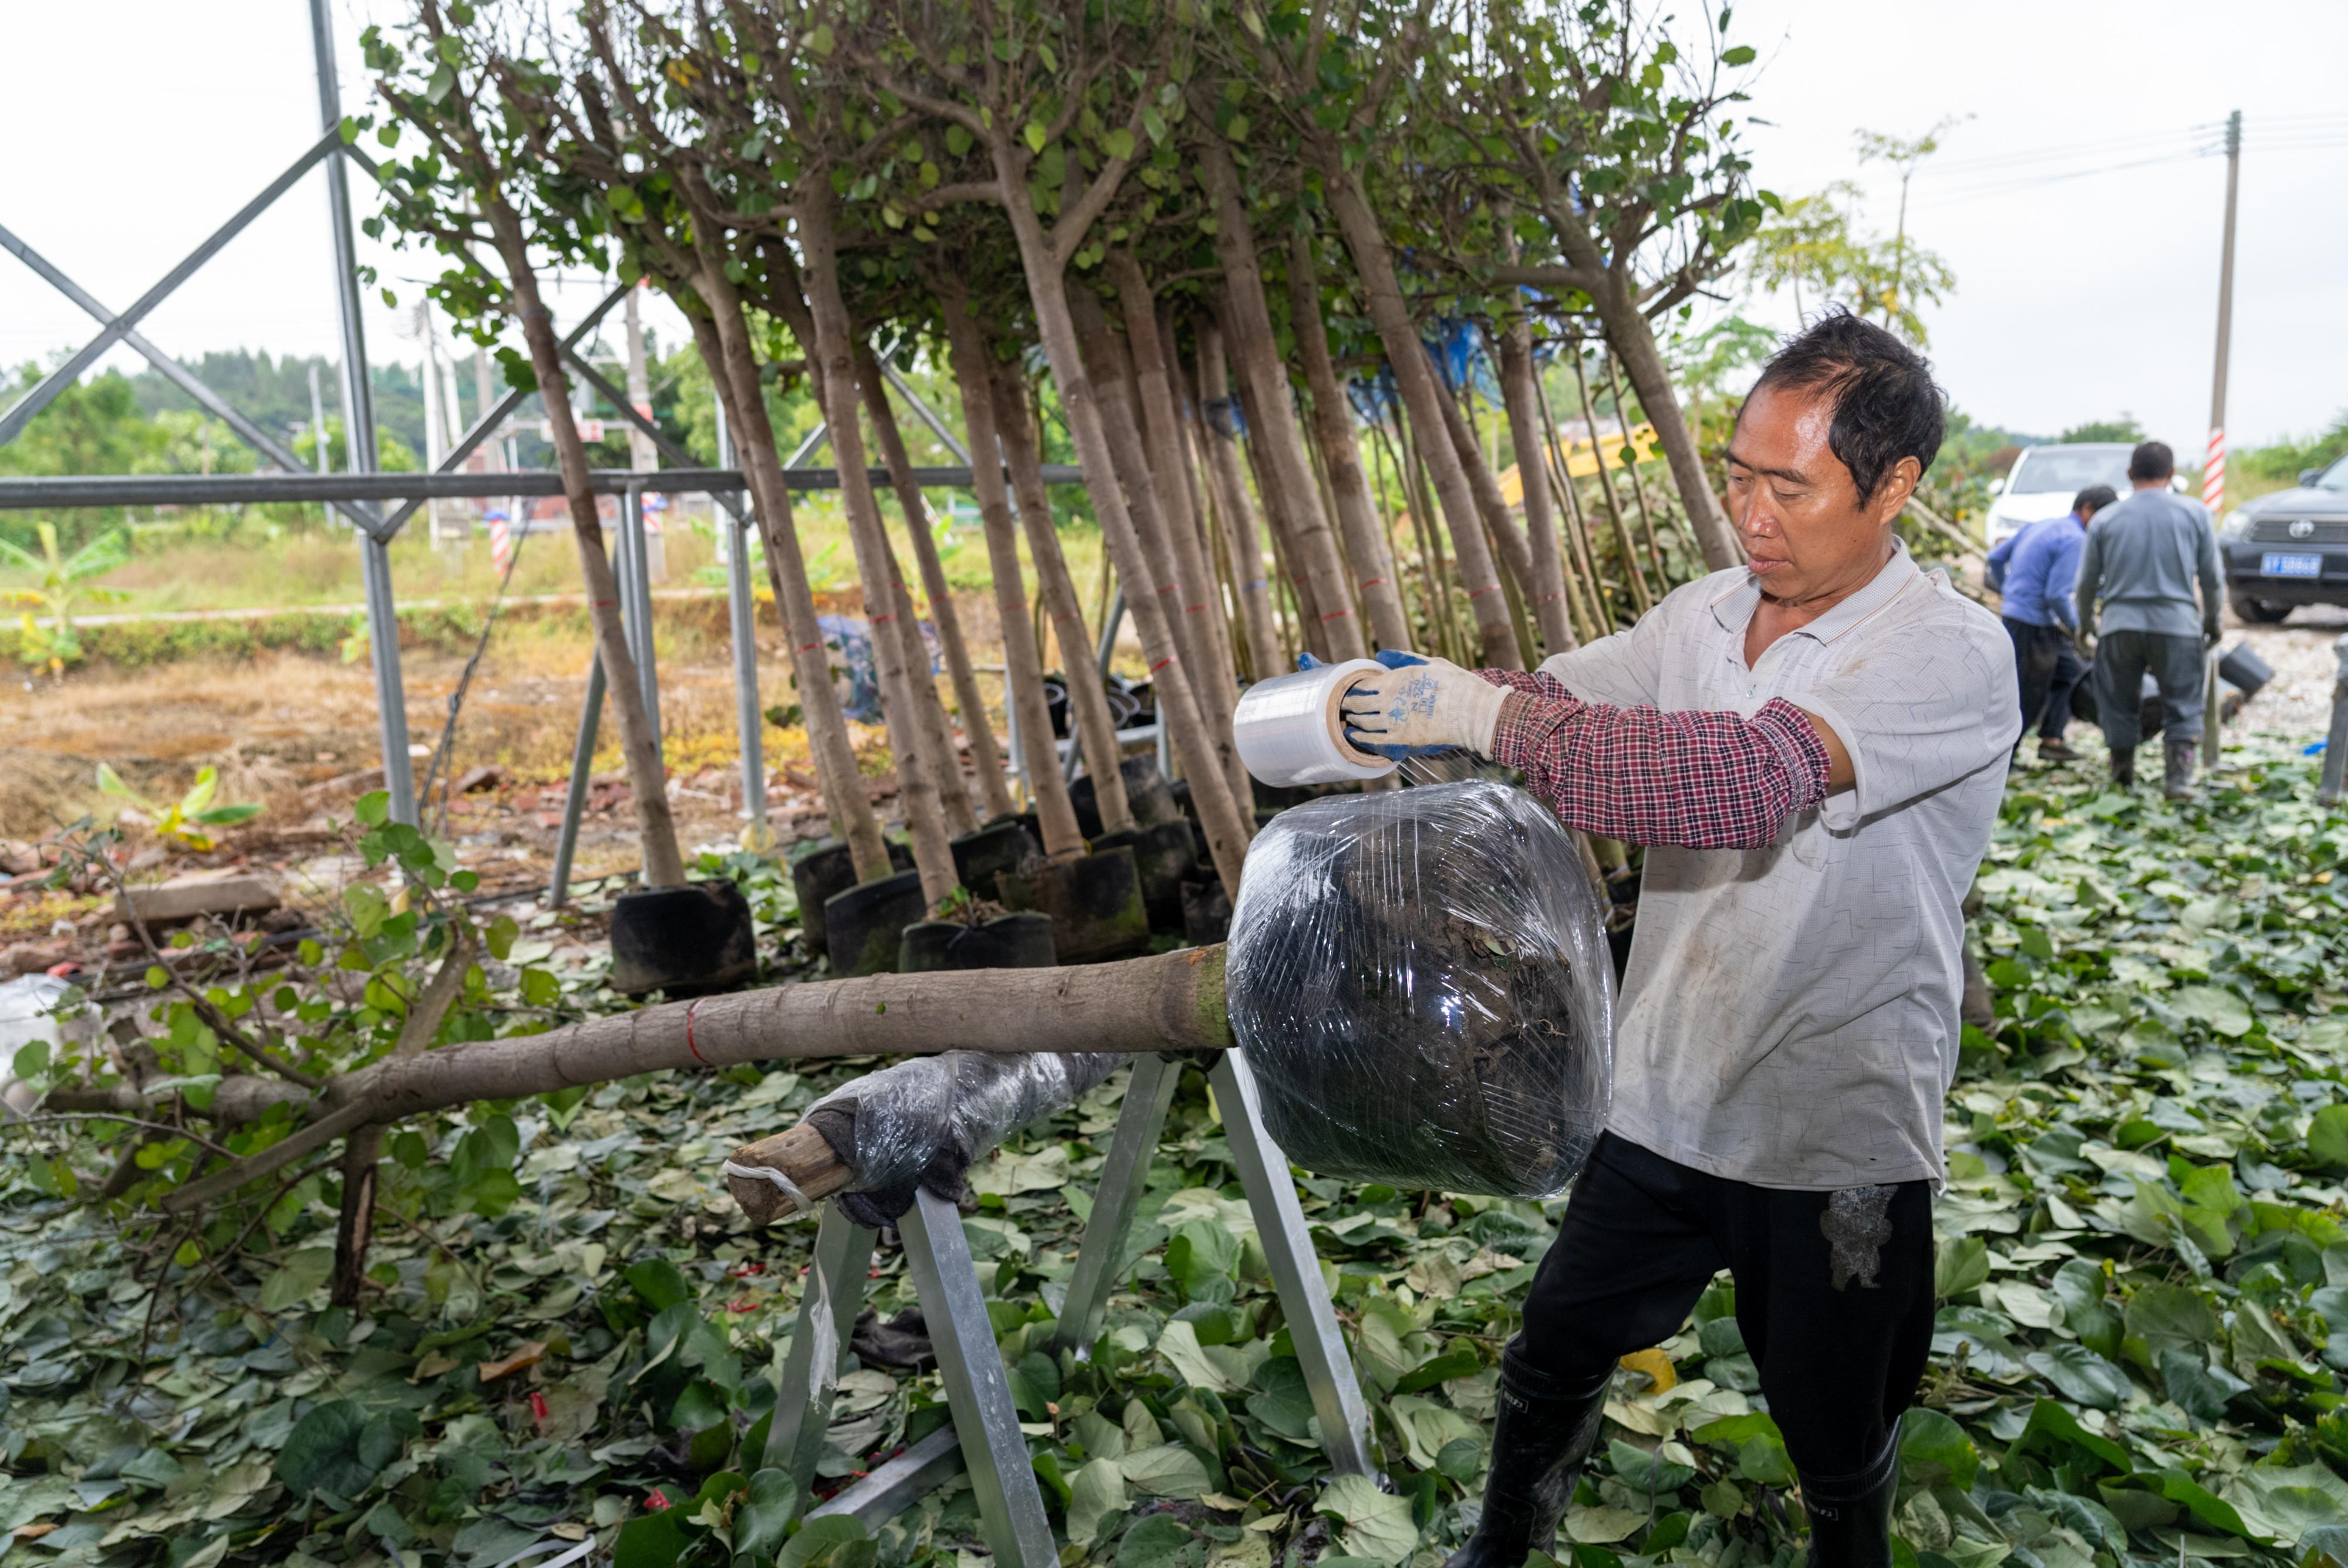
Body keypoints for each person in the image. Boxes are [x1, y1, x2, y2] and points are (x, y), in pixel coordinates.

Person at [1335, 312, 2018, 1568]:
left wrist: (1488, 715)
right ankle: (1501, 1547)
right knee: (1551, 1345)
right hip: (1661, 1096)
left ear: (1893, 485)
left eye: (1788, 487)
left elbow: (1735, 785)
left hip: (1829, 1128)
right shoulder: (1702, 615)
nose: (1749, 513)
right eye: (1737, 474)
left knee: (1833, 1424)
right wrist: (1413, 703)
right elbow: (1555, 704)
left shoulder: (1945, 652)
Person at [2072, 441, 2224, 798]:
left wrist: (2086, 627)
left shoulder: (2106, 519)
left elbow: (2085, 584)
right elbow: (2213, 578)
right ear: (2171, 475)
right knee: (2183, 703)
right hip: (2178, 626)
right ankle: (2179, 781)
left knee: (2118, 704)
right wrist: (2212, 622)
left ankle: (2122, 778)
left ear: (2129, 475)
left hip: (2119, 627)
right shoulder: (2195, 514)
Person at [1998, 484, 2115, 762]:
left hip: (2022, 616)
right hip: (2032, 624)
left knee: (2068, 672)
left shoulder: (2041, 525)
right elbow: (2057, 594)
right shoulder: (2075, 539)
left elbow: (1996, 558)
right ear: (2088, 509)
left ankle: (2052, 738)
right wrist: (2080, 629)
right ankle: (2003, 762)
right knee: (2028, 693)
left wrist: (2009, 590)